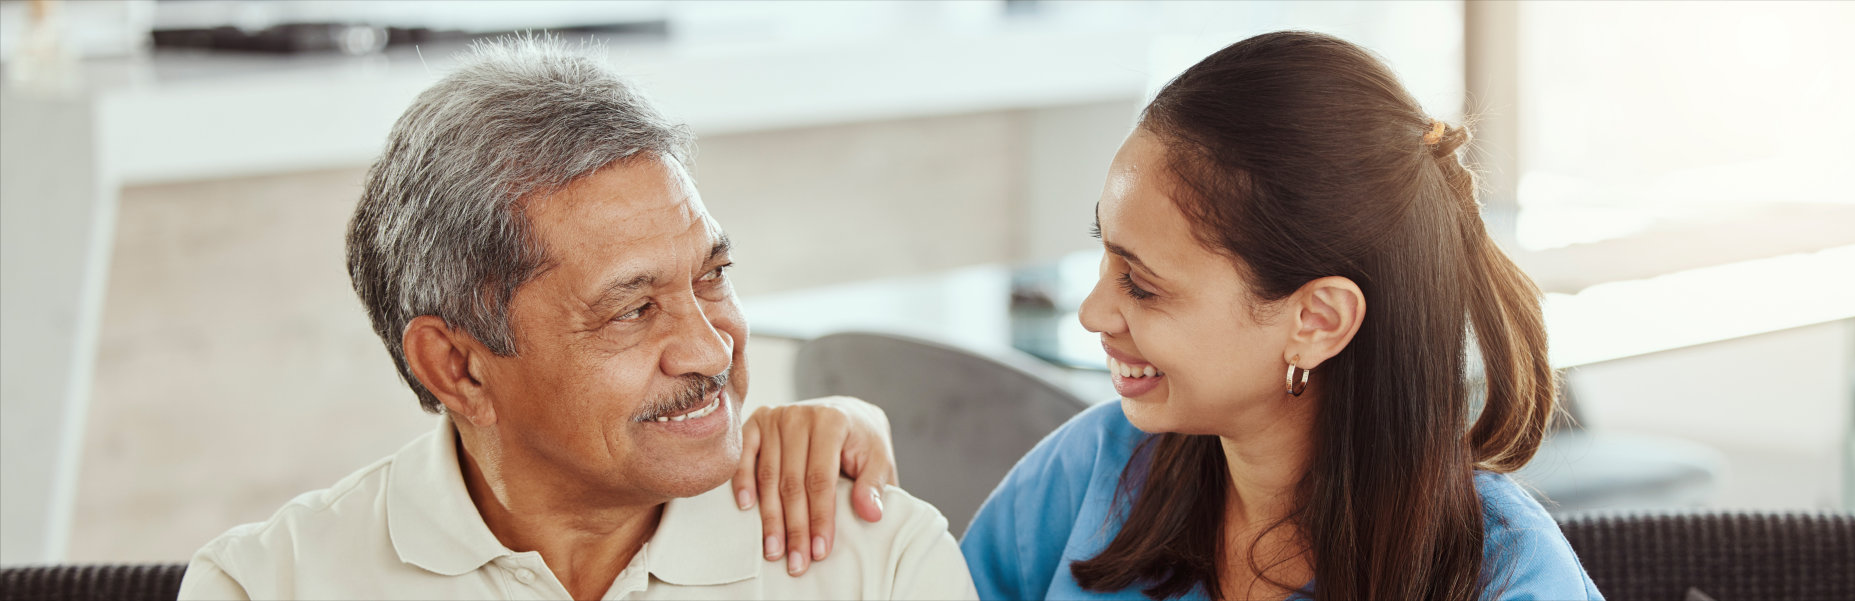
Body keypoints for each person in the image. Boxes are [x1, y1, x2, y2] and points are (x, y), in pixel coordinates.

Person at [732, 31, 1602, 600]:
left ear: (1317, 320)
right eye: (1102, 254)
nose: (1091, 310)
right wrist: (851, 460)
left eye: (1143, 285)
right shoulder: (1098, 465)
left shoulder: (1503, 575)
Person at [177, 36, 975, 601]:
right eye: (633, 310)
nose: (707, 346)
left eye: (713, 275)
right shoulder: (264, 584)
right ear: (456, 366)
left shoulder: (880, 561)